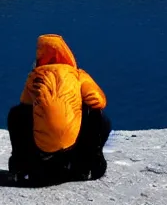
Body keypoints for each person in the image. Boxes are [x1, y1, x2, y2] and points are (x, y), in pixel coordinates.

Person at [7, 34, 111, 185]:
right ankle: (91, 164)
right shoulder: (78, 75)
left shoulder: (36, 76)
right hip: (73, 152)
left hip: (41, 157)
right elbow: (98, 101)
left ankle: (21, 167)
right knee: (98, 115)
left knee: (16, 114)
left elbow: (24, 104)